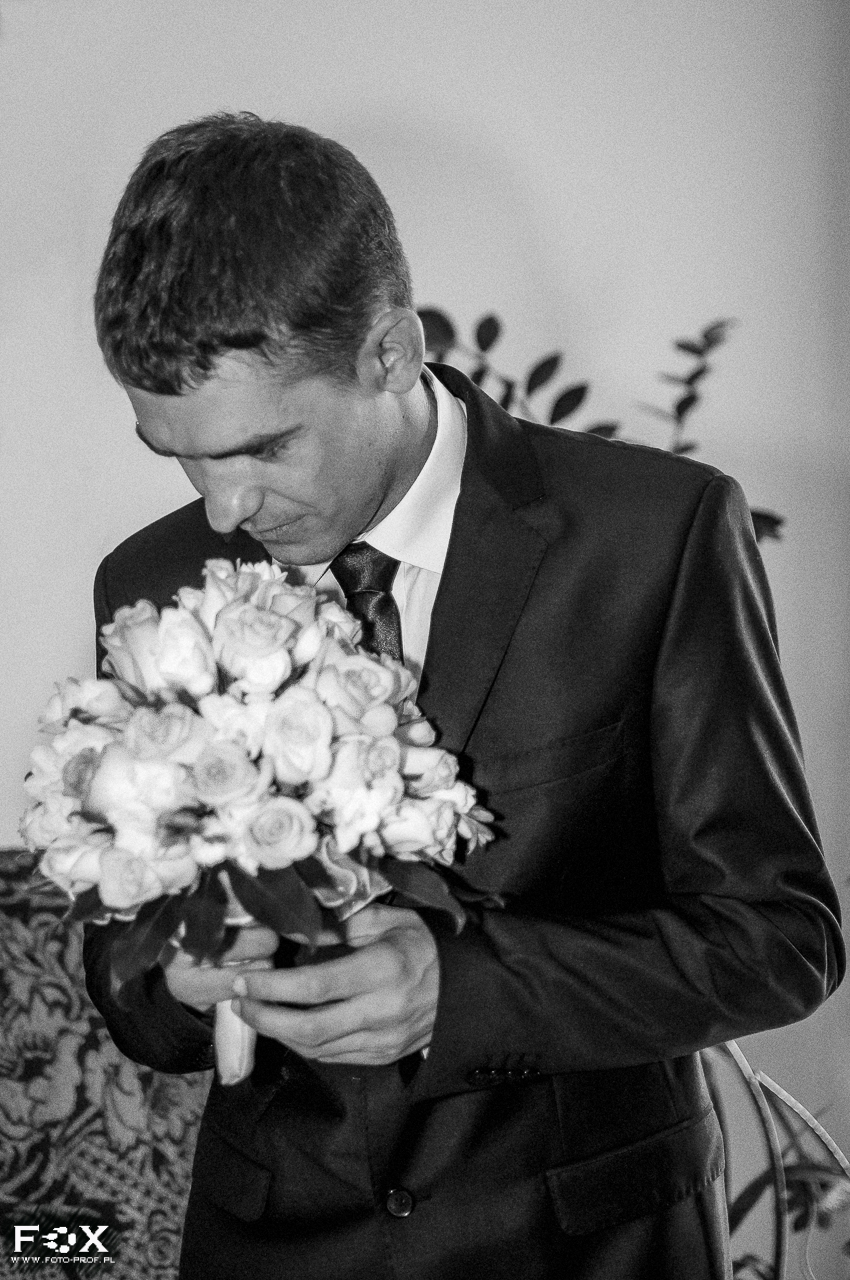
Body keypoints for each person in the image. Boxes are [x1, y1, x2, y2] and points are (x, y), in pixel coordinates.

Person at [81, 112, 844, 1280]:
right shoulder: (151, 582)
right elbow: (125, 976)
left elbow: (778, 939)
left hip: (586, 1246)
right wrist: (176, 978)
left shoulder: (656, 533)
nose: (222, 509)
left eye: (264, 448)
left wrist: (464, 994)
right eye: (176, 452)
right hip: (271, 1245)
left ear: (390, 349)